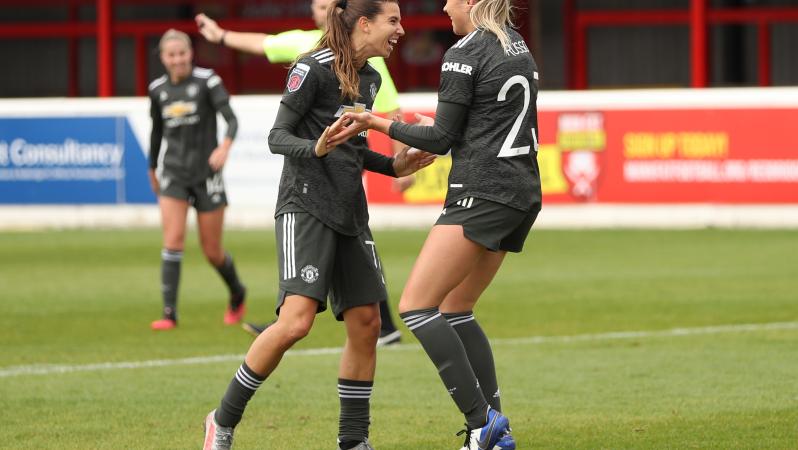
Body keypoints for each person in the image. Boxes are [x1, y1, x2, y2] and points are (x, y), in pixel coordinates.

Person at [202, 1, 433, 448]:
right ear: (364, 23)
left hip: (351, 212)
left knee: (367, 324)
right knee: (296, 323)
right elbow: (277, 137)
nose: (401, 31)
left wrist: (396, 166)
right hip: (304, 208)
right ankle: (222, 419)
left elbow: (354, 150)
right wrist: (317, 148)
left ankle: (353, 441)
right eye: (393, 21)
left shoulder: (371, 77)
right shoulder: (311, 68)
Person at [332, 0, 541, 447]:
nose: (444, 6)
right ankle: (494, 431)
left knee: (416, 306)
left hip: (481, 191)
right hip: (521, 193)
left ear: (470, 2)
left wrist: (376, 121)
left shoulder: (465, 52)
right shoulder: (516, 45)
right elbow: (476, 125)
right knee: (456, 310)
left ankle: (481, 422)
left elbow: (441, 139)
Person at [195, 0, 407, 345]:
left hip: (347, 187)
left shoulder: (372, 68)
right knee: (302, 308)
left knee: (356, 262)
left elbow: (384, 116)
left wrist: (399, 162)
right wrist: (220, 36)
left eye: (329, 5)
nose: (324, 11)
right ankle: (296, 320)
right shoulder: (306, 49)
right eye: (319, 6)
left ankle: (380, 325)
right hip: (309, 192)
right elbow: (263, 44)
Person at [148, 29, 247, 331]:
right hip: (174, 173)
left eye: (182, 53)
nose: (178, 60)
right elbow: (157, 133)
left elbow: (231, 119)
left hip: (207, 174)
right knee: (173, 240)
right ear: (163, 58)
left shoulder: (208, 81)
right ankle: (169, 314)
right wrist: (152, 168)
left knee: (212, 250)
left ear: (190, 53)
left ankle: (237, 292)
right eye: (171, 55)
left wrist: (224, 147)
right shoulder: (158, 90)